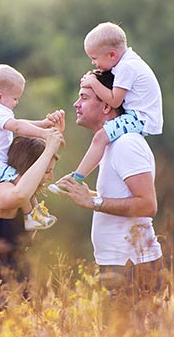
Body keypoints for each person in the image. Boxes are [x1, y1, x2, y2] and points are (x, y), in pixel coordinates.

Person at [53, 69, 161, 292]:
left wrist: (93, 203)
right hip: (121, 266)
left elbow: (148, 205)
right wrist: (86, 194)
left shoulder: (126, 144)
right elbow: (126, 198)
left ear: (106, 106)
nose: (76, 104)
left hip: (134, 266)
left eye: (83, 97)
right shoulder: (112, 145)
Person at [0, 129, 64, 301]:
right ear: (30, 167)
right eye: (46, 170)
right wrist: (48, 150)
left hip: (13, 279)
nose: (50, 177)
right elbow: (19, 195)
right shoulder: (3, 190)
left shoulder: (28, 197)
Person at [59, 22, 163, 185]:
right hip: (139, 116)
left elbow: (114, 100)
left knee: (101, 137)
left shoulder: (126, 67)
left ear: (112, 55)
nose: (93, 63)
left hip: (140, 118)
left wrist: (93, 82)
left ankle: (77, 178)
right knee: (104, 137)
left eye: (94, 58)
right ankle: (77, 177)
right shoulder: (128, 62)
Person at [0, 64, 65, 230]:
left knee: (22, 180)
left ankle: (34, 212)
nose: (16, 102)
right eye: (14, 98)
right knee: (21, 182)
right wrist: (44, 134)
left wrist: (43, 125)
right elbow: (18, 127)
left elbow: (20, 124)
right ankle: (31, 216)